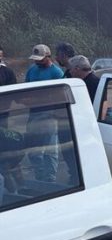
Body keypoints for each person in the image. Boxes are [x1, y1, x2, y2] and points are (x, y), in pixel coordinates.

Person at [24, 45, 62, 182]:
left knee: (50, 150)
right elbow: (25, 89)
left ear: (48, 57)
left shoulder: (56, 73)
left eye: (40, 59)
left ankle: (50, 178)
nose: (37, 62)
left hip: (49, 115)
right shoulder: (32, 70)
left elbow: (60, 95)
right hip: (33, 114)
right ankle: (39, 176)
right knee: (33, 150)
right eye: (35, 59)